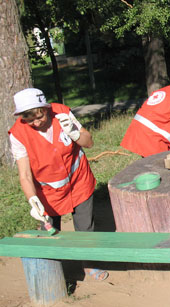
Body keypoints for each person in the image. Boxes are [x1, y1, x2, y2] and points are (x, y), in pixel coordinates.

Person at [8, 88, 108, 280]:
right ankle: (53, 270)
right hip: (47, 190)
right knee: (49, 229)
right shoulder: (18, 134)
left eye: (40, 116)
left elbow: (89, 143)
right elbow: (25, 175)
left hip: (78, 180)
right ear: (22, 117)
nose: (37, 123)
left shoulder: (61, 113)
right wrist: (33, 200)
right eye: (30, 120)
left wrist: (74, 133)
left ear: (46, 108)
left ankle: (88, 264)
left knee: (85, 227)